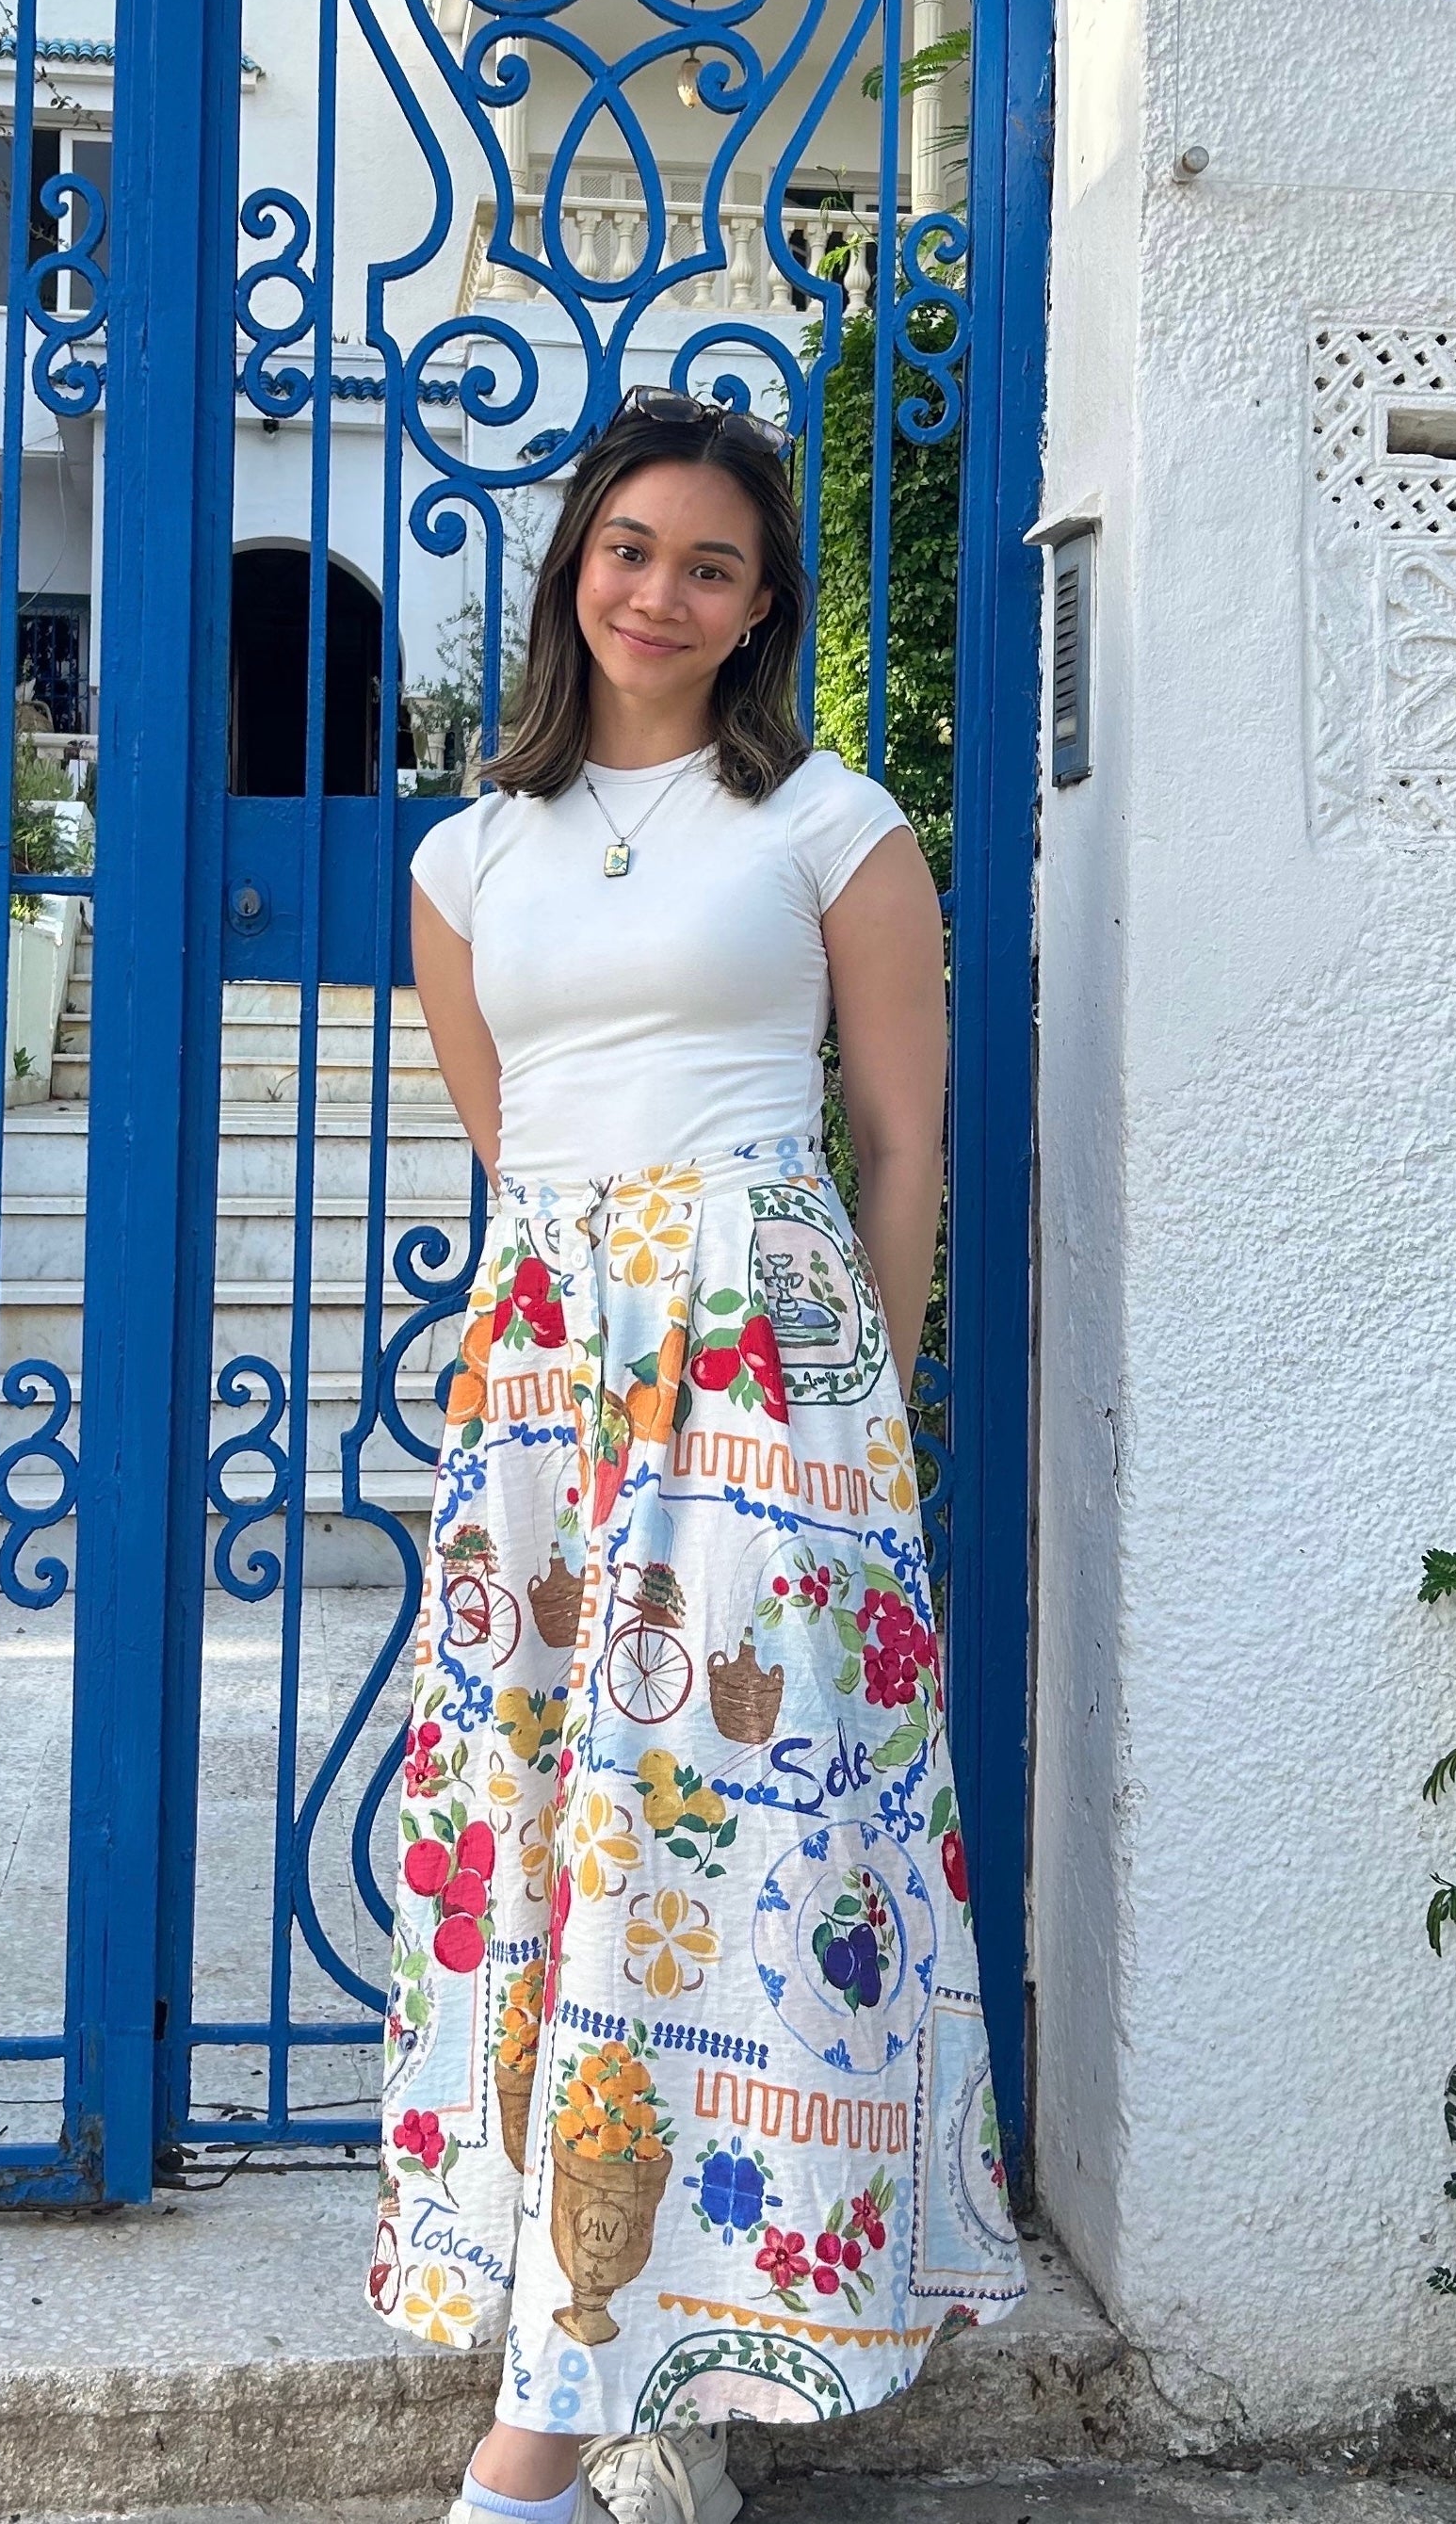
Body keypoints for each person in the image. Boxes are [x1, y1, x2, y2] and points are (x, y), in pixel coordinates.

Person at [371, 389, 1024, 2524]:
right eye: (630, 546)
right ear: (579, 566)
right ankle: (627, 2365)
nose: (661, 588)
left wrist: (873, 1425)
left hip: (771, 1370)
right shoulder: (464, 856)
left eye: (711, 563)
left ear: (759, 611)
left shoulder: (829, 823)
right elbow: (512, 1153)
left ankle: (544, 2442)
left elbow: (907, 1139)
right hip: (552, 1371)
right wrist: (552, 1354)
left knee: (723, 1839)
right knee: (551, 1840)